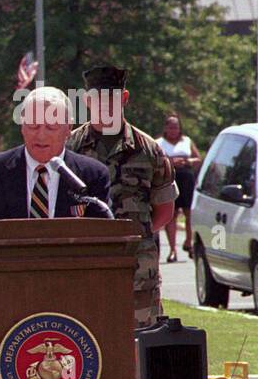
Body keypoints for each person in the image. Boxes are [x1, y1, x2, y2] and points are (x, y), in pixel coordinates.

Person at [66, 65, 177, 327]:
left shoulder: (148, 150)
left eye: (112, 98)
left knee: (141, 343)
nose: (105, 106)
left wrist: (135, 237)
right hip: (85, 263)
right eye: (98, 99)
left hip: (138, 268)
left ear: (124, 98)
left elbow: (164, 211)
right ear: (87, 101)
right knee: (87, 340)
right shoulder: (70, 149)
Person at [0, 86, 111, 223]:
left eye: (51, 127)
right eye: (33, 126)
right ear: (22, 126)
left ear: (68, 128)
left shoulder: (92, 175)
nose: (41, 135)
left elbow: (106, 231)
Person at [156, 112, 202, 262]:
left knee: (189, 212)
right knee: (172, 214)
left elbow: (198, 159)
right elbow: (155, 161)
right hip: (170, 178)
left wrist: (187, 161)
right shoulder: (159, 143)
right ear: (165, 128)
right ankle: (172, 249)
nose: (173, 130)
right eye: (170, 127)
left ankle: (189, 242)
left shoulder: (187, 141)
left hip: (186, 178)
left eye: (176, 127)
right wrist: (170, 162)